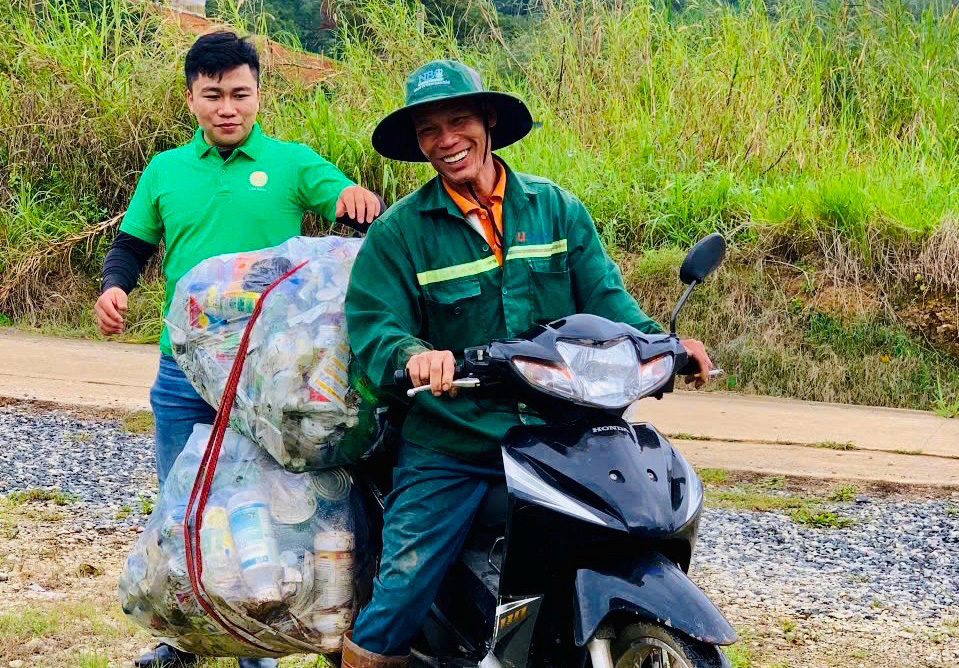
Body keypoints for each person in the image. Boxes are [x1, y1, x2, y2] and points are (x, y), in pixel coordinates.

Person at [343, 60, 713, 667]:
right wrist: (416, 357)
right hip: (458, 441)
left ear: (487, 121)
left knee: (630, 521)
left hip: (563, 434)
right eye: (429, 130)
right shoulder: (400, 233)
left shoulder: (557, 210)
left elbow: (608, 301)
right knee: (402, 593)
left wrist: (664, 344)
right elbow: (376, 329)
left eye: (458, 120)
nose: (446, 140)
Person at [95, 31, 382, 668]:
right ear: (192, 98)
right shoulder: (166, 169)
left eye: (241, 94)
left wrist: (355, 200)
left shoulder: (290, 161)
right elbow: (132, 248)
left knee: (270, 509)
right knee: (185, 500)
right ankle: (183, 636)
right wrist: (114, 289)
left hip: (267, 380)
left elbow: (343, 201)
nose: (228, 107)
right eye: (213, 95)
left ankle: (263, 644)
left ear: (259, 95)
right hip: (183, 368)